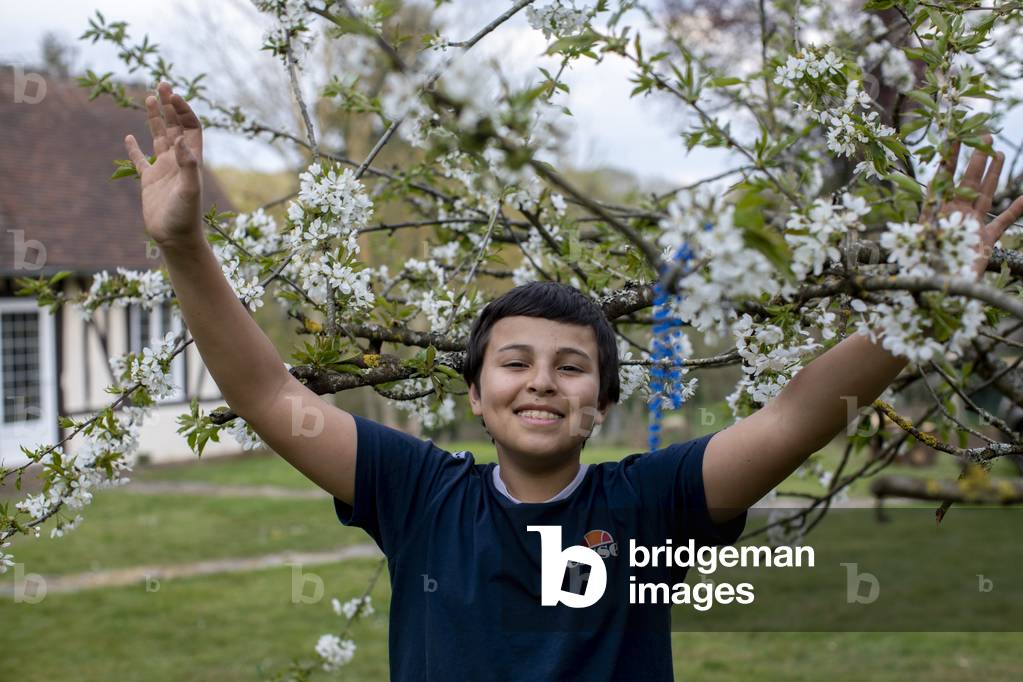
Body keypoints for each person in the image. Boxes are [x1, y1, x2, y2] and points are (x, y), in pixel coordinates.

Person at [125, 82, 1023, 681]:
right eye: (513, 363)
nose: (541, 383)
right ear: (475, 394)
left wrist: (927, 306)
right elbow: (271, 395)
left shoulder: (653, 504)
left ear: (601, 400)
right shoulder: (418, 496)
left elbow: (794, 415)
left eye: (571, 367)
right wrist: (183, 245)